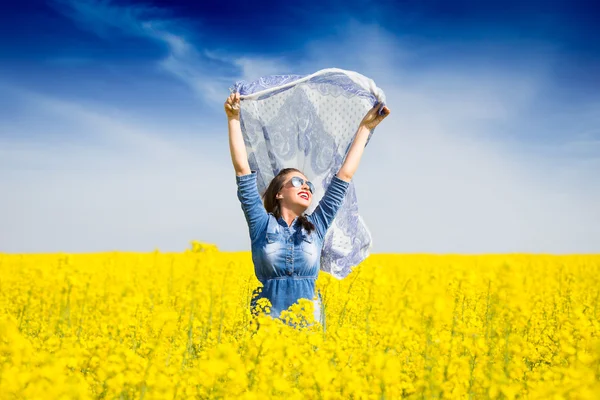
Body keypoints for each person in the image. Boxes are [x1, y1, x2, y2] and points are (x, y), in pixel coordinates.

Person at [225, 91, 390, 326]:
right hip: (266, 332)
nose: (305, 186)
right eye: (296, 182)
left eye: (308, 184)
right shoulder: (261, 224)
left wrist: (365, 127)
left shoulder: (317, 226)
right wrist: (233, 119)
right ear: (279, 193)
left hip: (309, 333)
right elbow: (243, 171)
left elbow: (344, 176)